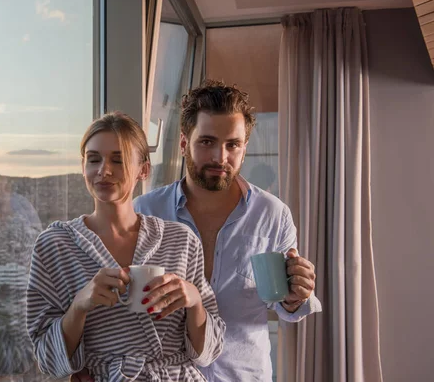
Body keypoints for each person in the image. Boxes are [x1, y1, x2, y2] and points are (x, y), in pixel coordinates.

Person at [133, 80, 322, 382]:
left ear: (244, 149)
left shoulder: (273, 215)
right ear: (184, 144)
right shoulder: (144, 211)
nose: (220, 157)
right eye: (207, 142)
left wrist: (296, 295)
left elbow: (284, 305)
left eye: (232, 144)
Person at [27, 112, 225, 381]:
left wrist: (194, 300)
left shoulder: (181, 240)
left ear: (143, 170)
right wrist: (79, 306)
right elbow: (47, 359)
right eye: (93, 159)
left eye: (118, 160)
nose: (103, 170)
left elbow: (210, 352)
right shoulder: (55, 245)